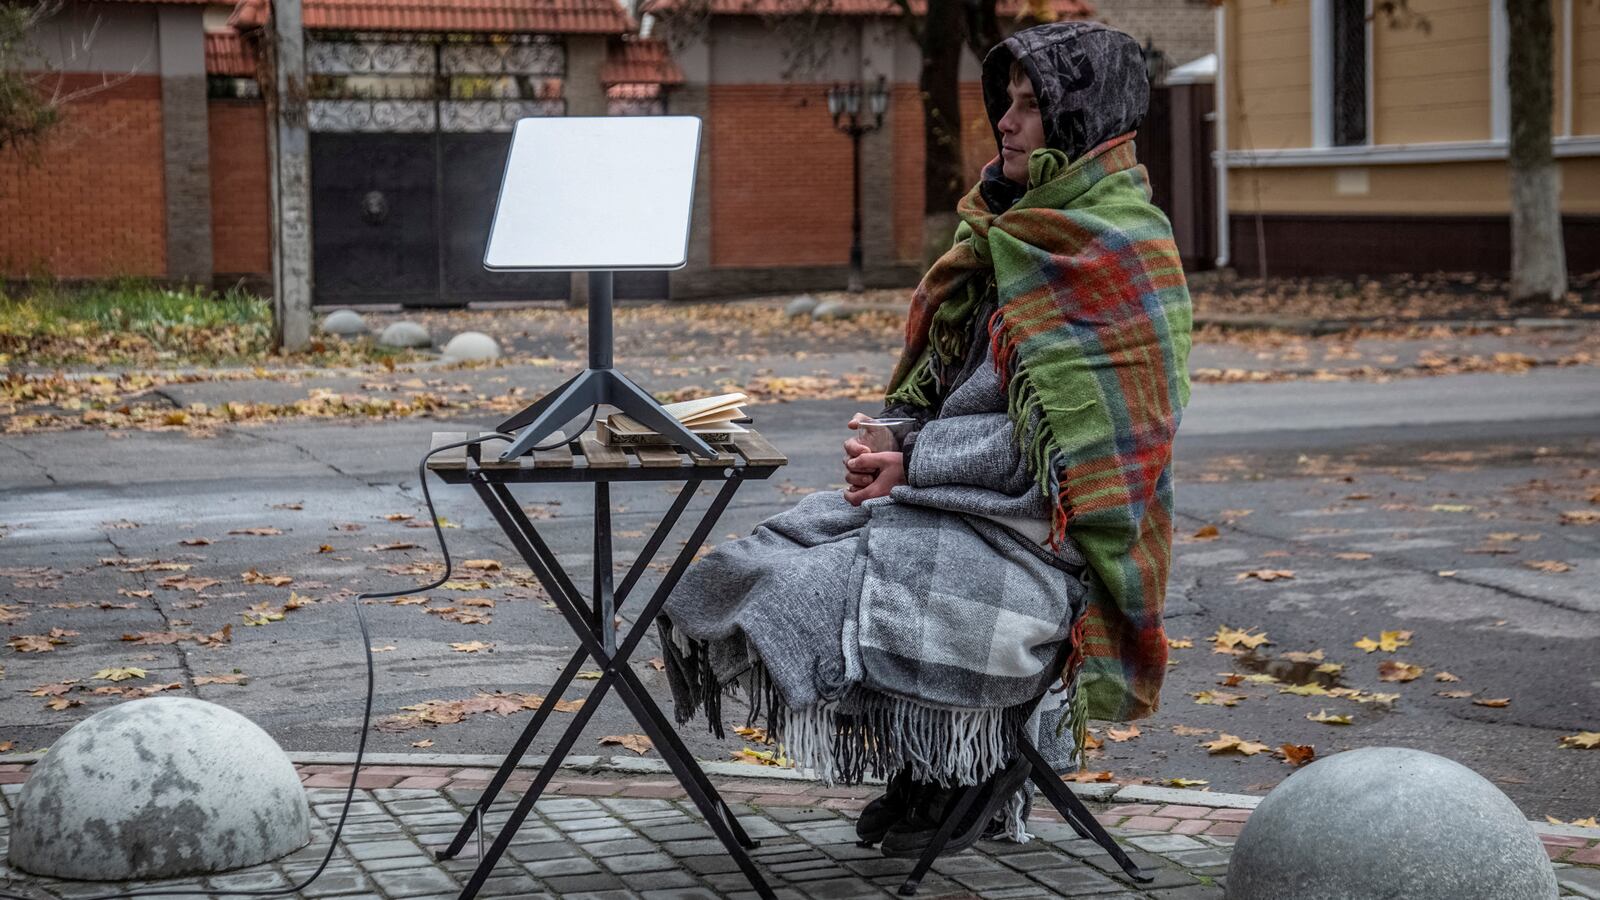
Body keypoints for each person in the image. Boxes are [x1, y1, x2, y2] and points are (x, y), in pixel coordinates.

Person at [660, 21, 1192, 858]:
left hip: (1052, 544)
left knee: (836, 589)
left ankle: (968, 766)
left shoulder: (1121, 253)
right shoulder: (1003, 236)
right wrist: (893, 438)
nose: (1006, 125)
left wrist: (910, 465)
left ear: (1084, 124)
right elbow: (954, 395)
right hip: (959, 508)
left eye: (1028, 108)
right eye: (1004, 105)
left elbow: (1058, 462)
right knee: (774, 558)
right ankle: (935, 762)